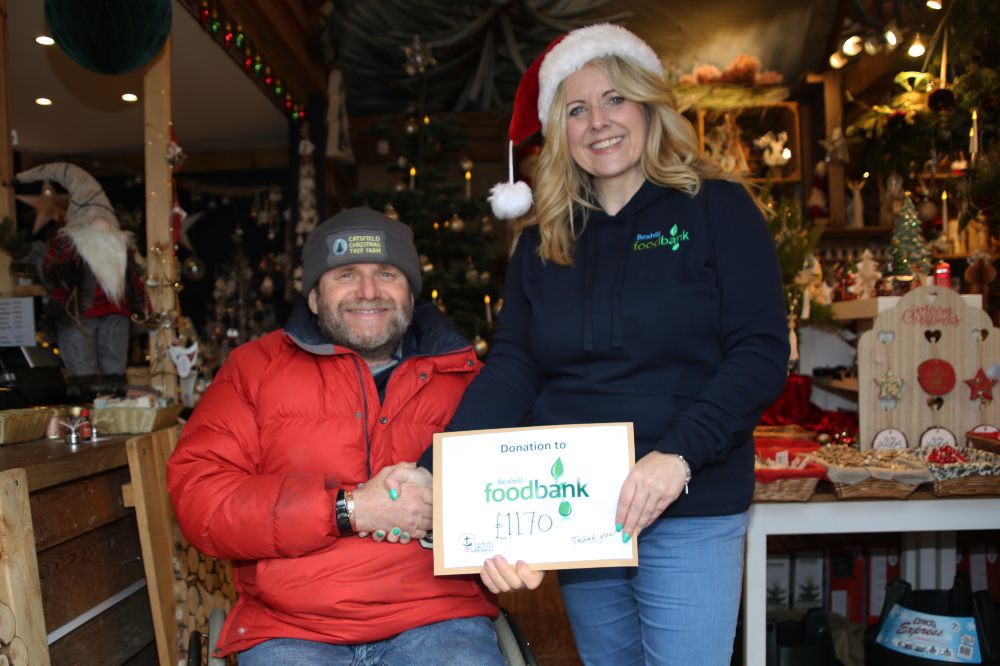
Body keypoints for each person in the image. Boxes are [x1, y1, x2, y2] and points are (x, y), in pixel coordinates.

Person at [400, 23, 790, 665]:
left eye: (614, 99)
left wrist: (678, 457)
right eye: (576, 109)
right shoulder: (541, 241)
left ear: (647, 105)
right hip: (579, 508)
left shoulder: (716, 210)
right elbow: (514, 369)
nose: (598, 122)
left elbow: (760, 353)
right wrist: (434, 469)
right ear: (558, 130)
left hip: (691, 497)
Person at [166, 208, 503, 665]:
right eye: (346, 274)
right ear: (313, 297)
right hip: (290, 625)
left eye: (387, 273)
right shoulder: (253, 369)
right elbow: (202, 499)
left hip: (437, 616)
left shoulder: (468, 378)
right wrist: (349, 509)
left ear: (411, 293)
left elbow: (514, 492)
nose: (368, 291)